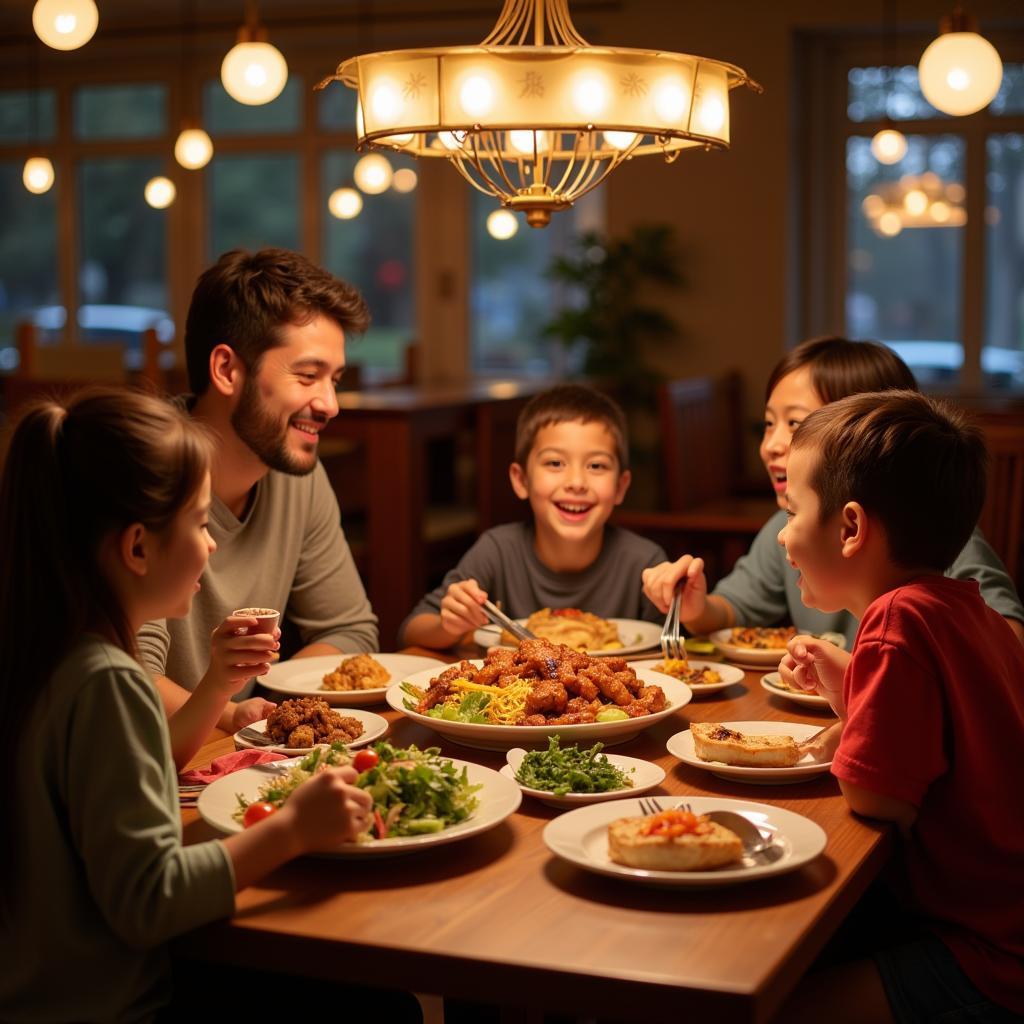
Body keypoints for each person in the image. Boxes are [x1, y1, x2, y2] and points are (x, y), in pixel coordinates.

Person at [0, 388, 375, 1022]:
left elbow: (141, 766)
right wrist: (293, 829)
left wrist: (218, 689)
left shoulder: (47, 654)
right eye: (200, 523)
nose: (211, 545)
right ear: (138, 547)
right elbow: (150, 899)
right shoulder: (107, 683)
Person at [773, 390, 1024, 1022]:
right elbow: (950, 732)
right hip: (1003, 919)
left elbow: (878, 798)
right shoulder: (965, 607)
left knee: (782, 1006)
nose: (782, 535)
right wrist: (852, 685)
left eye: (794, 511)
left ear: (851, 527)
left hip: (988, 954)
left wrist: (848, 731)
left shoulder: (894, 620)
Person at [136, 248, 379, 745]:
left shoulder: (299, 474)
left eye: (335, 380)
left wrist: (273, 704)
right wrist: (226, 712)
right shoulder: (146, 472)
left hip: (241, 748)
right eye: (308, 376)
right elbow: (131, 675)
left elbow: (351, 631)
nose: (330, 405)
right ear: (227, 370)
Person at [642, 337, 1024, 646]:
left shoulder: (930, 536)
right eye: (768, 423)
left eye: (796, 424)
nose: (772, 445)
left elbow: (1009, 642)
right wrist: (695, 607)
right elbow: (733, 611)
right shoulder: (788, 529)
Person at [399, 384, 666, 649]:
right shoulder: (497, 551)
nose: (576, 482)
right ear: (521, 480)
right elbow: (412, 631)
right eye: (555, 463)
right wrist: (450, 625)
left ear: (620, 486)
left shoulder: (645, 564)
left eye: (596, 466)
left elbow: (675, 653)